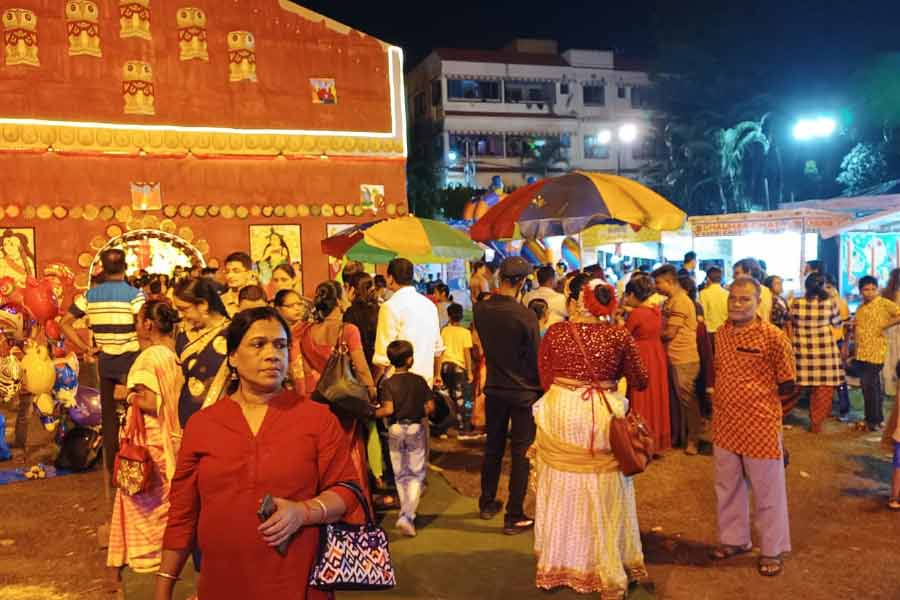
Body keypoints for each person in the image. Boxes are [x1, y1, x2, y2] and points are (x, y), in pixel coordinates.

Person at [155, 307, 361, 600]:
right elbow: (182, 513)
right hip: (223, 583)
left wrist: (303, 512)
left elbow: (347, 489)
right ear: (233, 357)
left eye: (280, 345)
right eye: (258, 344)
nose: (272, 354)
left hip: (298, 581)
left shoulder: (316, 418)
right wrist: (164, 587)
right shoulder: (203, 425)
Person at [533, 275, 649, 598]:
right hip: (603, 414)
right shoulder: (619, 334)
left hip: (561, 410)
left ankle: (561, 561)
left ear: (575, 301)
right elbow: (641, 380)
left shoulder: (555, 332)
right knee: (604, 485)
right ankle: (605, 563)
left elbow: (544, 376)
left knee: (562, 483)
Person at [709, 276, 795, 578]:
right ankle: (734, 540)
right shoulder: (721, 334)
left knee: (767, 491)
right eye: (733, 298)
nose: (737, 304)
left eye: (745, 299)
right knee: (727, 486)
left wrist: (774, 419)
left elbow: (788, 384)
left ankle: (771, 549)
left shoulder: (772, 337)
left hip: (760, 424)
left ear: (759, 303)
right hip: (725, 422)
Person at [107, 300, 183, 576]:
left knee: (141, 499)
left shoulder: (148, 357)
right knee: (161, 500)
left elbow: (151, 402)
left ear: (148, 325)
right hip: (169, 438)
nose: (136, 326)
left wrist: (125, 395)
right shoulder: (172, 354)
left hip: (149, 440)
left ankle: (146, 556)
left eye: (138, 321)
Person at [472, 256, 541, 534]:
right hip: (524, 391)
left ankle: (487, 502)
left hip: (496, 386)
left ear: (501, 279)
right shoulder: (526, 315)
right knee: (521, 453)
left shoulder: (481, 310)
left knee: (493, 448)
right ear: (522, 283)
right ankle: (514, 514)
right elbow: (536, 359)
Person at [61, 248, 145, 476]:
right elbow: (144, 324)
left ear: (103, 269)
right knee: (134, 410)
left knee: (108, 415)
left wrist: (86, 347)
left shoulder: (90, 296)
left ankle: (112, 464)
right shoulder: (135, 295)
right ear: (125, 267)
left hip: (105, 361)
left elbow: (65, 322)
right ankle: (136, 461)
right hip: (131, 360)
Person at [297, 281, 377, 501]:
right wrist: (371, 389)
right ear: (340, 301)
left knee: (323, 456)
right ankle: (354, 505)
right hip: (344, 401)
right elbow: (360, 366)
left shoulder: (306, 332)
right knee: (350, 454)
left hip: (318, 401)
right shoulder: (348, 330)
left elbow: (304, 369)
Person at [375, 340, 433, 537]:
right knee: (416, 474)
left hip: (395, 429)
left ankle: (405, 512)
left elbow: (388, 410)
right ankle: (407, 515)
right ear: (410, 359)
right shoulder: (419, 381)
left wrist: (373, 412)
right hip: (415, 427)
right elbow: (430, 408)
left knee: (401, 475)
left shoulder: (388, 383)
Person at [652, 264, 702, 455]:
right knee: (679, 401)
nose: (656, 287)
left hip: (684, 359)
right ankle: (682, 436)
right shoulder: (670, 301)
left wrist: (650, 334)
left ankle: (693, 440)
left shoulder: (681, 302)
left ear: (670, 282)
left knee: (687, 400)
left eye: (658, 283)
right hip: (674, 357)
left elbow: (669, 332)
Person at [372, 258, 444, 387]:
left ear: (390, 278)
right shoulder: (429, 305)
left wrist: (372, 385)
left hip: (397, 385)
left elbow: (382, 355)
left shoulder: (390, 307)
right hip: (425, 382)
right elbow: (438, 349)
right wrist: (437, 375)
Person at [788, 273, 844, 433]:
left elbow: (790, 320)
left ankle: (778, 415)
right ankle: (816, 424)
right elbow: (837, 324)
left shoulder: (797, 303)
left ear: (806, 286)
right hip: (825, 351)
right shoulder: (830, 303)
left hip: (802, 351)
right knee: (823, 390)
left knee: (794, 387)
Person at [172, 277, 231, 428]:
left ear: (203, 305)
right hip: (187, 419)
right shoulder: (183, 334)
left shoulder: (231, 334)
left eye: (184, 309)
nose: (180, 316)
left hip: (221, 421)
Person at [623, 276, 671, 452]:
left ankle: (640, 441)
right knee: (656, 395)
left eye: (628, 295)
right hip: (656, 353)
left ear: (634, 294)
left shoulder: (637, 314)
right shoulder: (655, 311)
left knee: (640, 397)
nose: (626, 299)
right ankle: (656, 439)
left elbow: (625, 336)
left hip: (641, 354)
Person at [852, 275, 900, 431]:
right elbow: (856, 328)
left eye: (873, 289)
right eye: (866, 289)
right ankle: (875, 419)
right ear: (860, 291)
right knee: (871, 386)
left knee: (868, 385)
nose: (870, 292)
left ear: (877, 289)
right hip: (861, 352)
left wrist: (885, 325)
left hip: (876, 351)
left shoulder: (884, 303)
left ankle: (872, 420)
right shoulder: (860, 308)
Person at [440, 303, 474, 437]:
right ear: (461, 316)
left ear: (449, 315)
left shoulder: (444, 331)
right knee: (462, 398)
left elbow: (440, 352)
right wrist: (470, 371)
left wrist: (437, 373)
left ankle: (448, 426)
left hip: (445, 366)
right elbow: (467, 354)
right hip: (458, 368)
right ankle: (463, 427)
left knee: (447, 397)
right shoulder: (465, 332)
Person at [824, 274, 852, 421]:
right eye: (824, 287)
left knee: (840, 378)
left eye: (829, 286)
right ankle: (825, 408)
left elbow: (848, 327)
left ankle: (844, 409)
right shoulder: (820, 303)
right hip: (823, 344)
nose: (827, 290)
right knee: (824, 379)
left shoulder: (840, 303)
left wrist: (845, 346)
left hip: (837, 342)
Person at [699, 267, 729, 352]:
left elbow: (703, 313)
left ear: (708, 278)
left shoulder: (703, 293)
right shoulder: (727, 294)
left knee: (711, 359)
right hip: (724, 331)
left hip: (709, 331)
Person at [733, 258, 771, 323]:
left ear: (748, 272)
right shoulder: (766, 290)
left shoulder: (747, 292)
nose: (733, 276)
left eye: (737, 273)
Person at [219, 252, 254, 317]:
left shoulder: (257, 299)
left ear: (249, 274)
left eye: (236, 271)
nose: (230, 275)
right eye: (227, 271)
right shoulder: (220, 301)